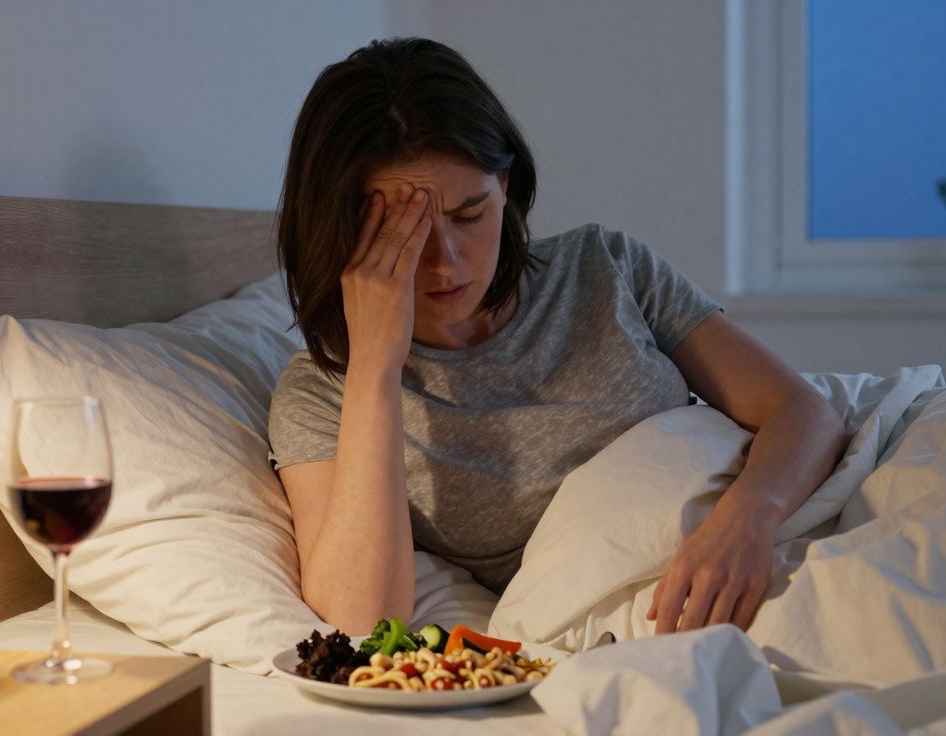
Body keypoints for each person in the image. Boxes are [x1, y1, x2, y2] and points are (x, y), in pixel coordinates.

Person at [267, 38, 847, 638]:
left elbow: (803, 412)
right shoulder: (323, 394)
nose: (445, 262)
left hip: (768, 541)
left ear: (507, 188)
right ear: (338, 228)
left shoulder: (604, 266)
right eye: (401, 234)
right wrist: (375, 370)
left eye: (469, 216)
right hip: (653, 623)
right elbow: (364, 618)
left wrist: (746, 522)